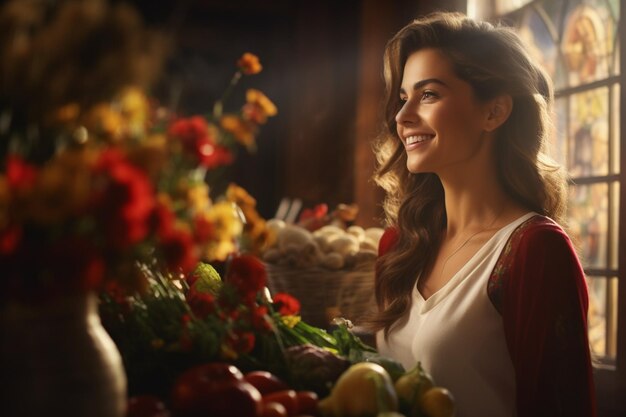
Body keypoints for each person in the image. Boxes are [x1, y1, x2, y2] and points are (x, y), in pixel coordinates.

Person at [369, 11, 597, 417]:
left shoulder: (534, 250)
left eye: (429, 95)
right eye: (403, 97)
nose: (402, 118)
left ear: (494, 112)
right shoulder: (401, 246)